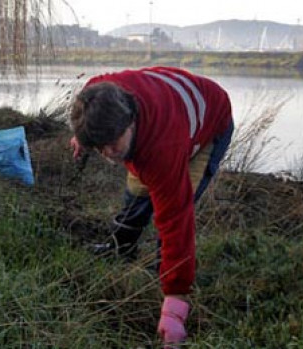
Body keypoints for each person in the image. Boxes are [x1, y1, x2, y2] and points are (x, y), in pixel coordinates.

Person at [68, 67, 234, 345]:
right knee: (137, 189)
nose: (107, 154)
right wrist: (83, 137)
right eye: (99, 147)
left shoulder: (163, 149)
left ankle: (166, 278)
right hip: (164, 109)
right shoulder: (97, 94)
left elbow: (176, 223)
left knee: (171, 206)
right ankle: (120, 249)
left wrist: (175, 309)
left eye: (111, 144)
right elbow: (93, 122)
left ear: (130, 122)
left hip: (210, 120)